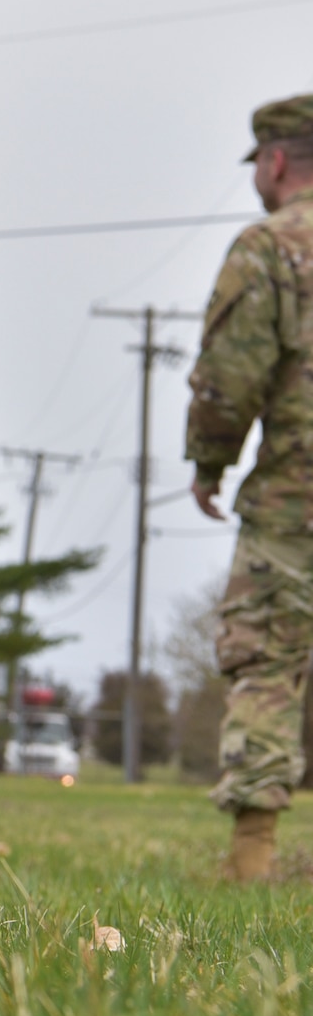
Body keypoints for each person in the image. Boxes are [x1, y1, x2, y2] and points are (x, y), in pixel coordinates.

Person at [188, 93, 313, 881]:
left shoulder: (268, 247)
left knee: (267, 659)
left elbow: (232, 379)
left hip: (297, 500)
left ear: (274, 162)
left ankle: (254, 858)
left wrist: (210, 462)